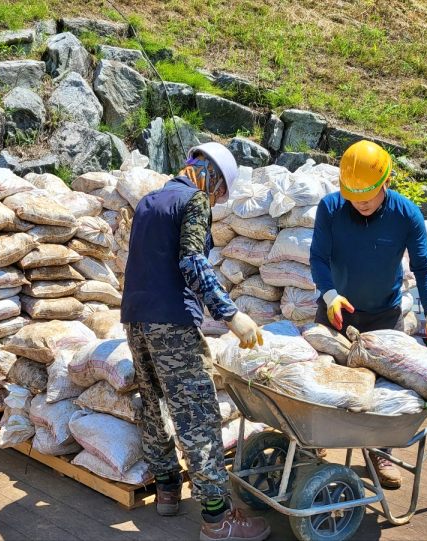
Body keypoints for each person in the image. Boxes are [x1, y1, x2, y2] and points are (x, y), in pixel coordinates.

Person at [121, 142, 271, 541]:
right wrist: (230, 314)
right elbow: (192, 260)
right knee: (197, 414)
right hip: (172, 321)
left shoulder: (149, 201)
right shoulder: (194, 201)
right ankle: (218, 519)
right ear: (213, 179)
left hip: (135, 318)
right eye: (219, 194)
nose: (216, 201)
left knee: (153, 403)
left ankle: (168, 488)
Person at [310, 140, 427, 489]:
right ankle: (312, 444)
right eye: (354, 197)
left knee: (386, 393)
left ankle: (380, 451)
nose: (361, 203)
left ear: (386, 181)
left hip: (384, 317)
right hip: (335, 312)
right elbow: (318, 258)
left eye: (368, 196)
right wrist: (330, 296)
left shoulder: (406, 215)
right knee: (322, 382)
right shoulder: (331, 208)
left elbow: (424, 267)